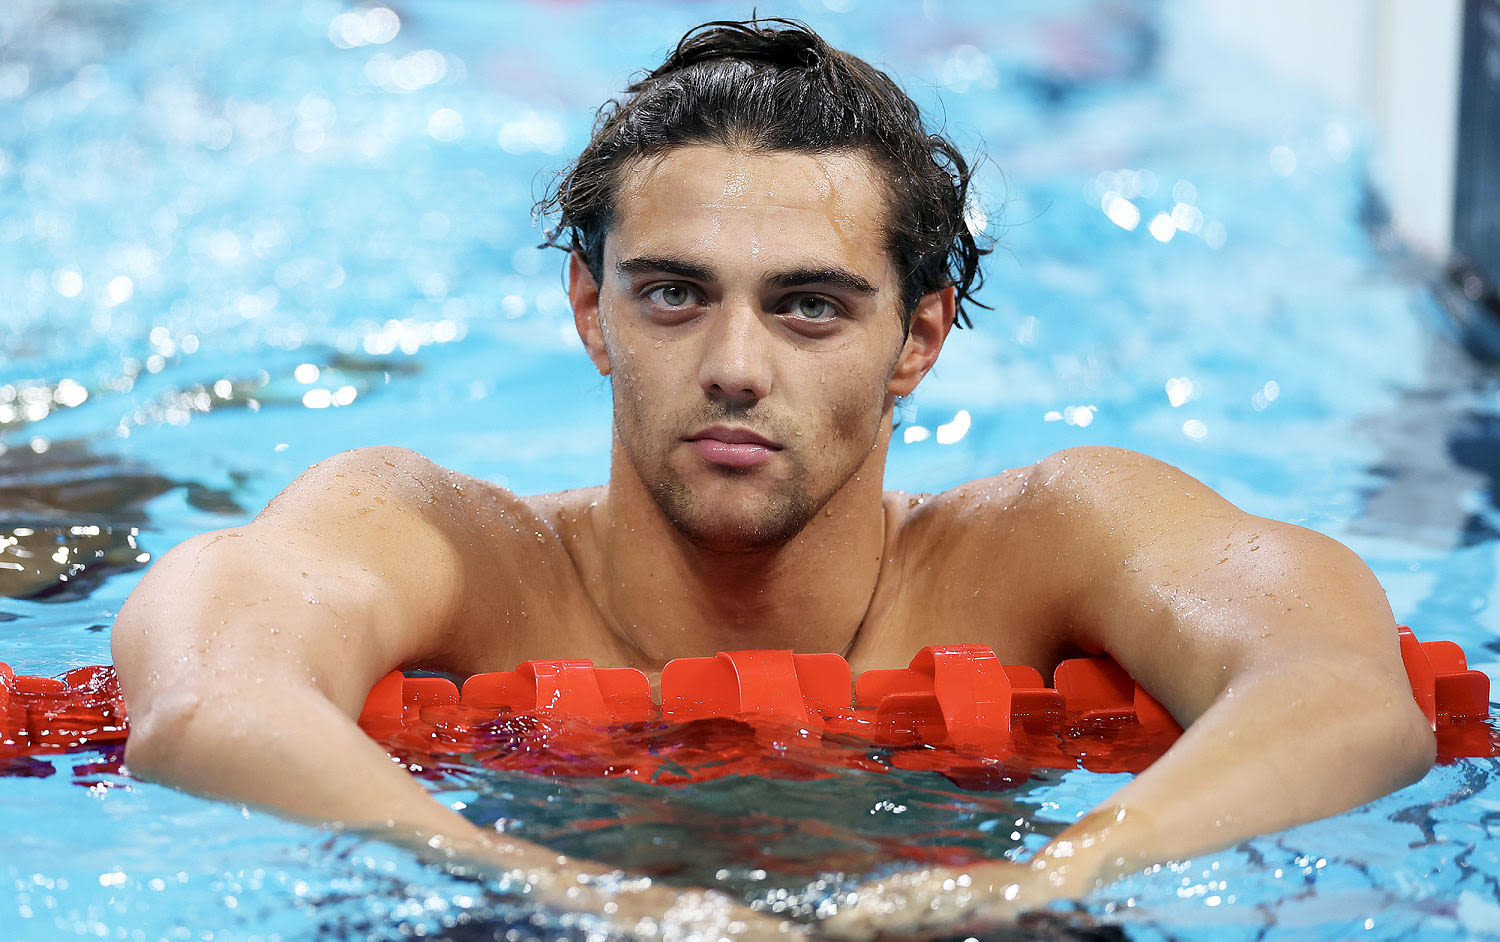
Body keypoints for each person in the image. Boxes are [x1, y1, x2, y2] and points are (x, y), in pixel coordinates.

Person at [110, 17, 1435, 941]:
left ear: (918, 332)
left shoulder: (1043, 543)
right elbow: (204, 702)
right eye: (675, 295)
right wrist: (569, 896)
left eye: (808, 307)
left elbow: (1345, 690)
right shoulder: (446, 543)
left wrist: (1039, 880)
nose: (734, 365)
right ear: (592, 310)